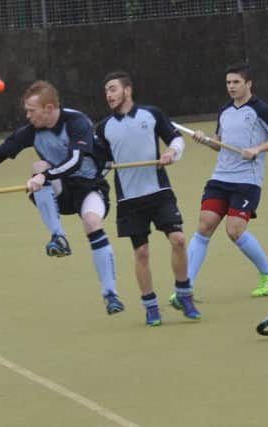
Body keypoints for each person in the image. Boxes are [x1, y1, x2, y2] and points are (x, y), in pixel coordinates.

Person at [0, 80, 124, 315]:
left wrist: (45, 176)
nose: (28, 115)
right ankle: (58, 237)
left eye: (31, 111)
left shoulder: (77, 122)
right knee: (38, 164)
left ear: (49, 108)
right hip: (60, 191)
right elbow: (10, 146)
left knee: (93, 223)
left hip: (90, 187)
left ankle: (111, 294)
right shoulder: (32, 131)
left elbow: (75, 160)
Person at [96, 70, 200, 326]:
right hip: (129, 200)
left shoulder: (151, 114)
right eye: (106, 91)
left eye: (113, 89)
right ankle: (151, 306)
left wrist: (171, 153)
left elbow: (176, 139)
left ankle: (184, 294)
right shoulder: (102, 128)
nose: (109, 95)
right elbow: (100, 162)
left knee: (178, 240)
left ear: (127, 90)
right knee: (141, 252)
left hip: (159, 192)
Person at [186, 62, 268, 298]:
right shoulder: (225, 110)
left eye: (236, 82)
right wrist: (205, 140)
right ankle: (186, 287)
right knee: (204, 226)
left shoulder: (259, 109)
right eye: (228, 83)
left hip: (246, 181)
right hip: (220, 178)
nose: (231, 87)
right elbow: (218, 144)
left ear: (248, 84)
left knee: (234, 231)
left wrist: (258, 148)